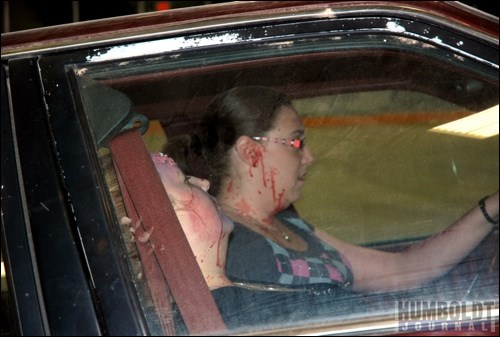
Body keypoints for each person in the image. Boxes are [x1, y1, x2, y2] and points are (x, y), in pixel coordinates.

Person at [182, 85, 499, 295]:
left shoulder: (291, 226)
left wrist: (489, 208)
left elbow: (403, 269)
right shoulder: (222, 242)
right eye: (296, 142)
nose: (309, 157)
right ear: (251, 152)